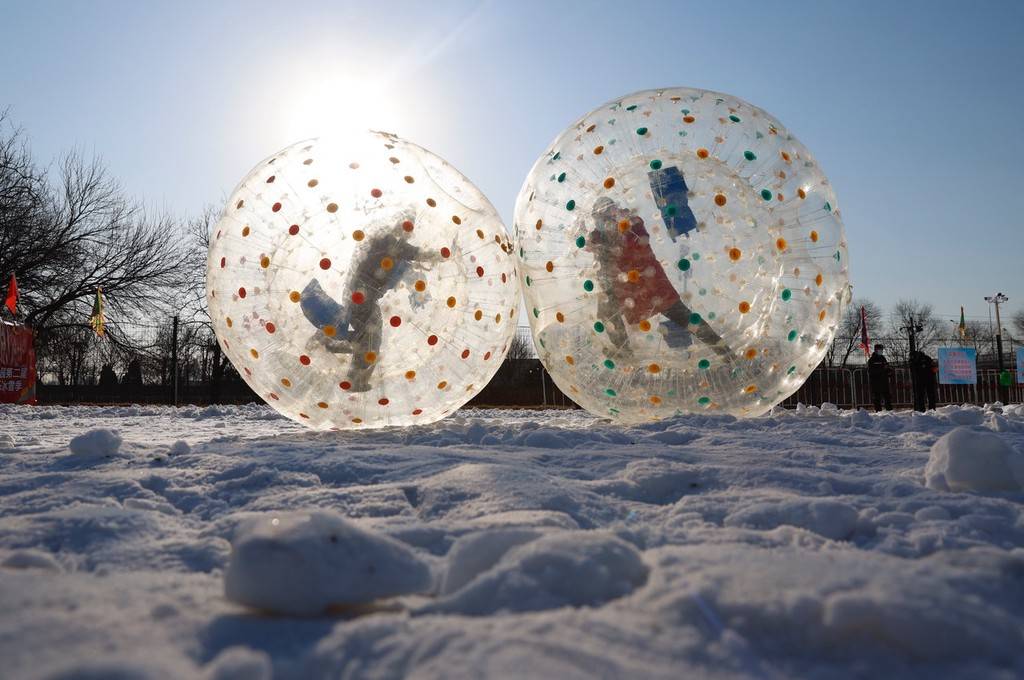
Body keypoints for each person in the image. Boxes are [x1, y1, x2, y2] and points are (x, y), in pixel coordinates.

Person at [300, 214, 442, 392]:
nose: (409, 231)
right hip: (363, 297)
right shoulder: (390, 242)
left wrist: (417, 276)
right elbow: (418, 254)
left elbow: (407, 265)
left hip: (359, 296)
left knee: (366, 338)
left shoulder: (385, 243)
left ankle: (328, 342)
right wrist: (444, 255)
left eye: (410, 228)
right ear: (400, 226)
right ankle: (352, 376)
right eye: (407, 226)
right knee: (371, 338)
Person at [585, 197, 730, 358]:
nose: (604, 219)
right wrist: (584, 238)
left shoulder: (632, 223)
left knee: (684, 318)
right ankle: (625, 353)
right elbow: (593, 248)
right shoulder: (599, 236)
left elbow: (636, 244)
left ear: (615, 210)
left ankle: (726, 353)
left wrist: (608, 244)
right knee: (606, 311)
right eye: (600, 217)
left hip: (652, 285)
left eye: (609, 212)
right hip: (626, 290)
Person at [867, 344, 893, 411]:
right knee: (877, 398)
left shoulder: (883, 358)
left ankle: (890, 411)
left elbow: (886, 367)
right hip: (876, 382)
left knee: (887, 397)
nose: (881, 351)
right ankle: (878, 412)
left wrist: (889, 371)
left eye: (881, 350)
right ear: (875, 350)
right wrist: (882, 369)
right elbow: (871, 371)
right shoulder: (872, 360)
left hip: (884, 381)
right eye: (879, 350)